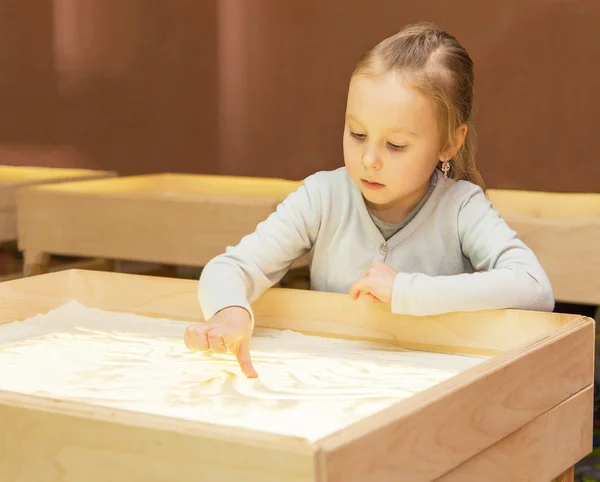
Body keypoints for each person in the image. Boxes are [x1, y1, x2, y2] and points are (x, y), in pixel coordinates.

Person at [184, 22, 554, 378]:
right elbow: (230, 267)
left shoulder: (461, 207)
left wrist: (407, 291)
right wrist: (230, 311)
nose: (369, 160)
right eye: (357, 134)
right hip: (332, 382)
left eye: (395, 145)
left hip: (431, 387)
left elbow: (534, 287)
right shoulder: (322, 197)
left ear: (449, 143)